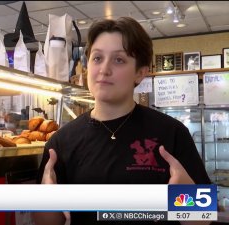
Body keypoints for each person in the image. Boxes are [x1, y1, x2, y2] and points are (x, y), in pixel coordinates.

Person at [32, 17, 211, 225]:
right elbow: (47, 222)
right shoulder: (61, 142)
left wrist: (185, 198)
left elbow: (202, 218)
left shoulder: (171, 133)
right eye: (97, 58)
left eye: (119, 60)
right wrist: (44, 199)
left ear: (140, 73)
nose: (104, 69)